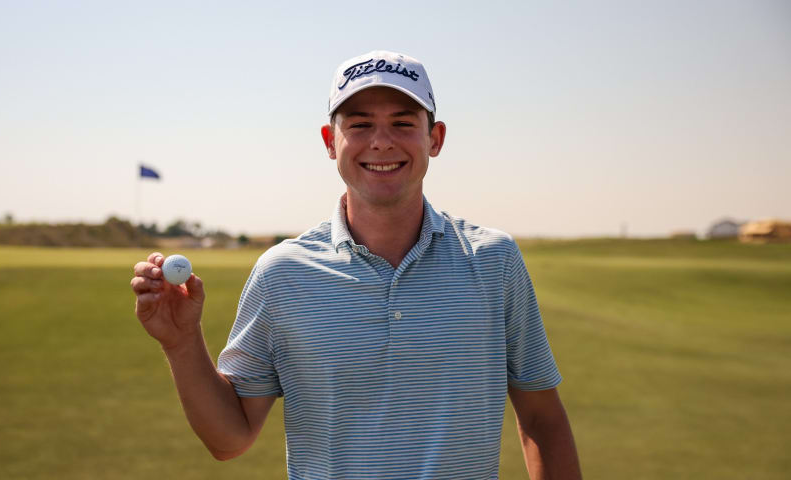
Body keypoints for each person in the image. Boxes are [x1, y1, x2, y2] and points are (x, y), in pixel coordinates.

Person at [131, 50, 581, 480]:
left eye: (403, 123)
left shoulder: (494, 260)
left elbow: (542, 419)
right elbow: (229, 439)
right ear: (331, 142)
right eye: (360, 124)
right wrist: (182, 342)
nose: (381, 141)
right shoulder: (282, 273)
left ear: (435, 138)